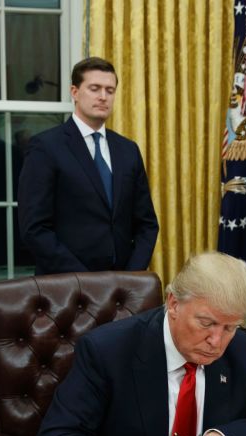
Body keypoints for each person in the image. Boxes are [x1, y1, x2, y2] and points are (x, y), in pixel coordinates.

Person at [33, 252, 246, 436]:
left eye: (230, 327)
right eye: (206, 323)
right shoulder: (107, 351)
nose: (217, 341)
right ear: (174, 304)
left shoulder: (239, 350)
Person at [18, 56, 159, 274]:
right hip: (67, 286)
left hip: (123, 287)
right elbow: (34, 228)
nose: (103, 97)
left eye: (110, 90)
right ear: (74, 92)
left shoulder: (128, 149)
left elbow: (147, 224)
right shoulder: (45, 147)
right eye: (95, 88)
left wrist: (131, 275)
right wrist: (85, 281)